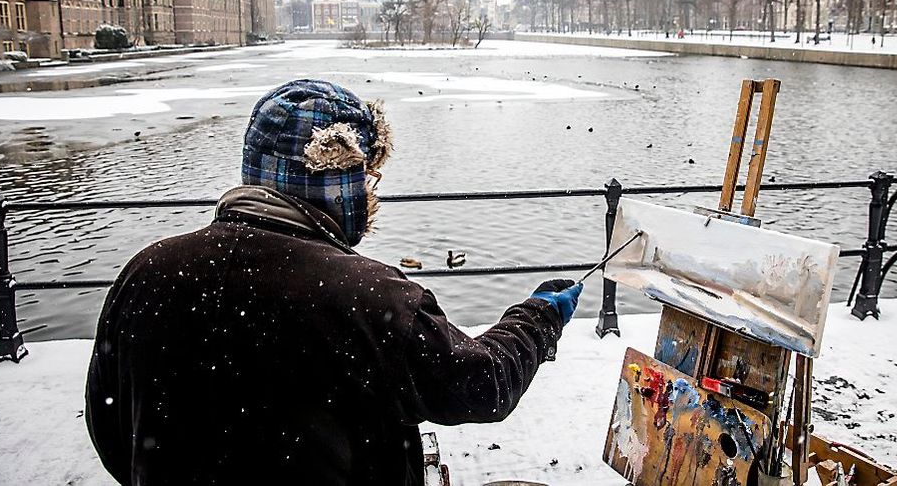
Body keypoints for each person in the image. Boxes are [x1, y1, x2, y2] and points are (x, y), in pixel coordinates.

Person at [85, 79, 584, 485]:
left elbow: (110, 429)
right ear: (337, 181)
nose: (369, 192)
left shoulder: (147, 272)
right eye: (365, 178)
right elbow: (481, 385)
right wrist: (537, 317)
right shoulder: (371, 296)